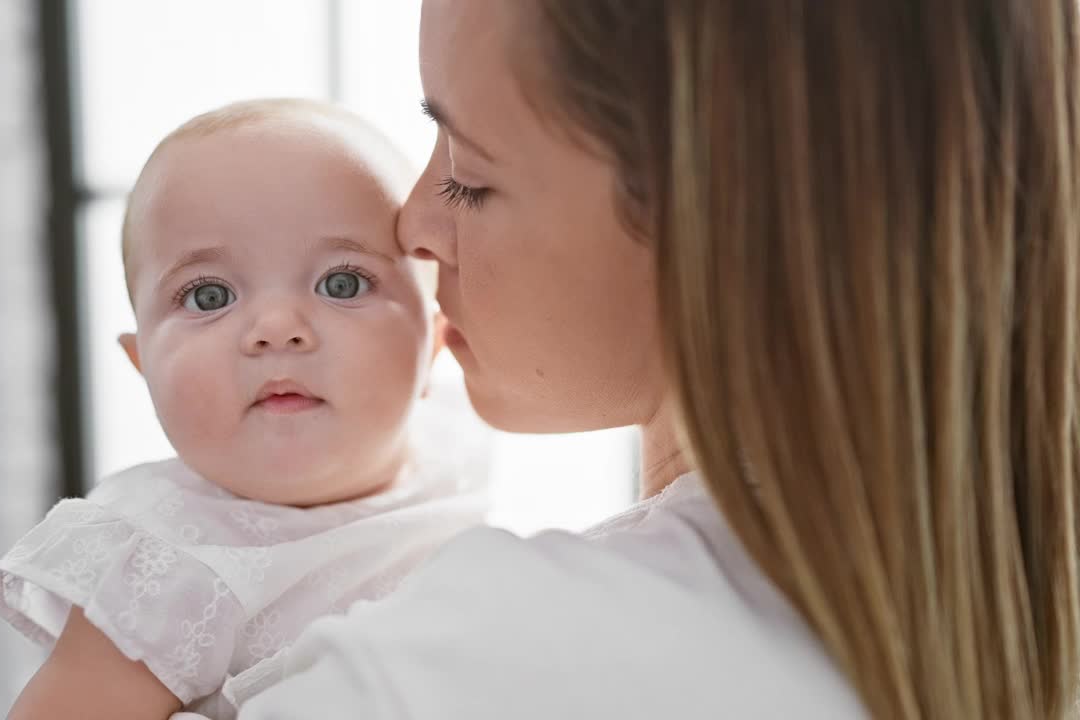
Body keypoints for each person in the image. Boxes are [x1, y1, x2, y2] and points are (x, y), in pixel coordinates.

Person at [236, 1, 1080, 718]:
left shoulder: (449, 676)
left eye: (468, 174)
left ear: (726, 216)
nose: (411, 226)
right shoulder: (1010, 606)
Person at [0, 98, 488, 719]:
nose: (277, 330)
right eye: (209, 294)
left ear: (432, 345)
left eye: (343, 283)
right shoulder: (168, 563)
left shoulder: (458, 453)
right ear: (144, 366)